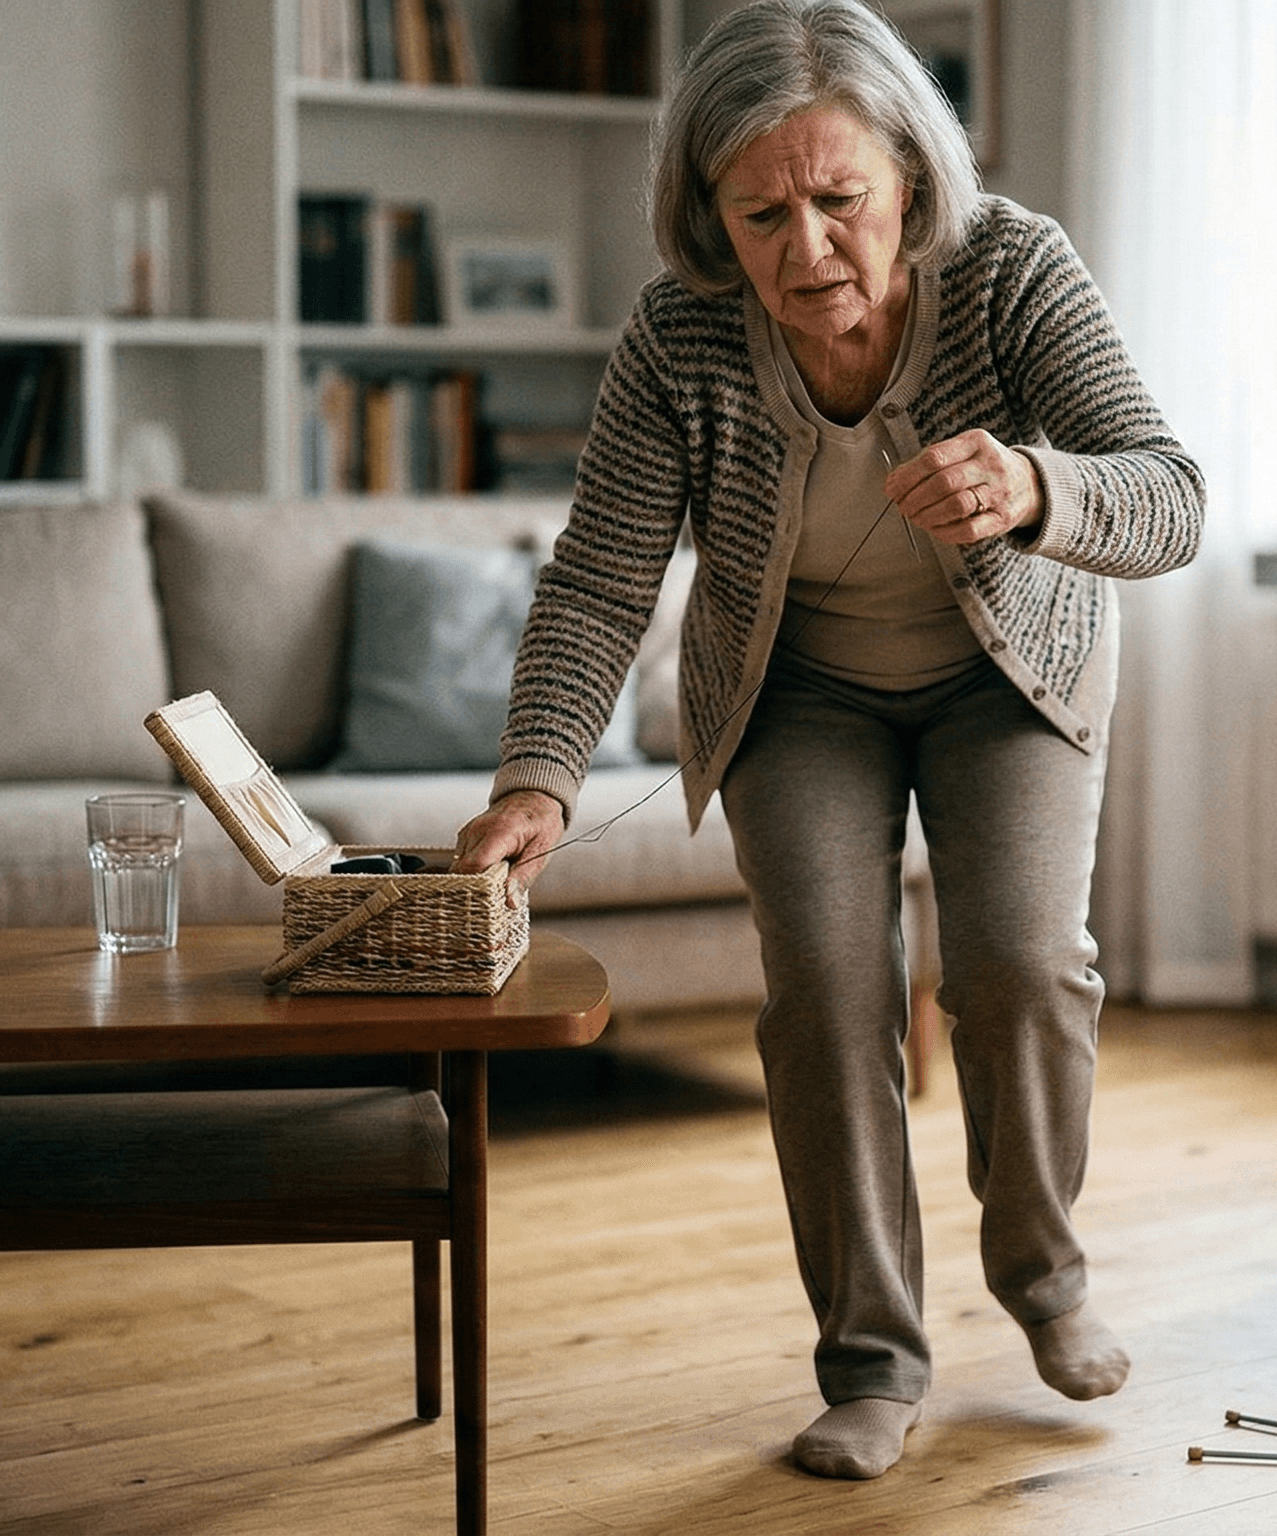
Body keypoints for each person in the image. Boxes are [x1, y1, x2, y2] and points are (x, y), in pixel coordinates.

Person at [454, 0, 1204, 1482]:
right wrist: (536, 777)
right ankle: (871, 1359)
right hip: (800, 691)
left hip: (1012, 679)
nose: (807, 250)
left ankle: (1044, 1274)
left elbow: (1170, 495)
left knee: (1017, 966)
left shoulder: (1014, 274)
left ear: (909, 181)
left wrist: (1040, 490)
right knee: (827, 1000)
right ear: (707, 213)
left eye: (839, 200)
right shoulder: (678, 336)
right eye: (762, 212)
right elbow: (602, 572)